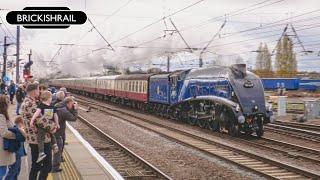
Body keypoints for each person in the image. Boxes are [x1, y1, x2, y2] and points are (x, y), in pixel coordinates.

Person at [21, 82, 53, 180]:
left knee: (37, 166)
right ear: (34, 91)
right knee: (45, 166)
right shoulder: (30, 104)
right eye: (38, 89)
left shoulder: (29, 102)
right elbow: (41, 120)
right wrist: (53, 126)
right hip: (39, 140)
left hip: (34, 139)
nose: (39, 92)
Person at [30, 91, 59, 163]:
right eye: (51, 97)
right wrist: (57, 124)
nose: (51, 99)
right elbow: (56, 116)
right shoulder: (52, 106)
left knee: (40, 139)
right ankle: (55, 145)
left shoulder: (41, 105)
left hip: (43, 126)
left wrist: (32, 121)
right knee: (52, 134)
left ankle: (41, 153)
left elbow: (36, 114)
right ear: (49, 98)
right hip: (50, 124)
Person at [52, 97, 78, 173]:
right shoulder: (63, 110)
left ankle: (56, 164)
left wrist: (72, 108)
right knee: (58, 148)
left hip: (57, 130)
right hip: (58, 132)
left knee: (59, 146)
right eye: (72, 104)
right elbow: (73, 118)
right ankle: (54, 167)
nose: (72, 105)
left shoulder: (58, 105)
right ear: (68, 103)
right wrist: (75, 109)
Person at [0, 95, 17, 180]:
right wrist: (16, 135)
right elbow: (4, 132)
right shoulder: (1, 116)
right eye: (8, 102)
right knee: (2, 171)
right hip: (2, 149)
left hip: (3, 149)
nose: (10, 103)